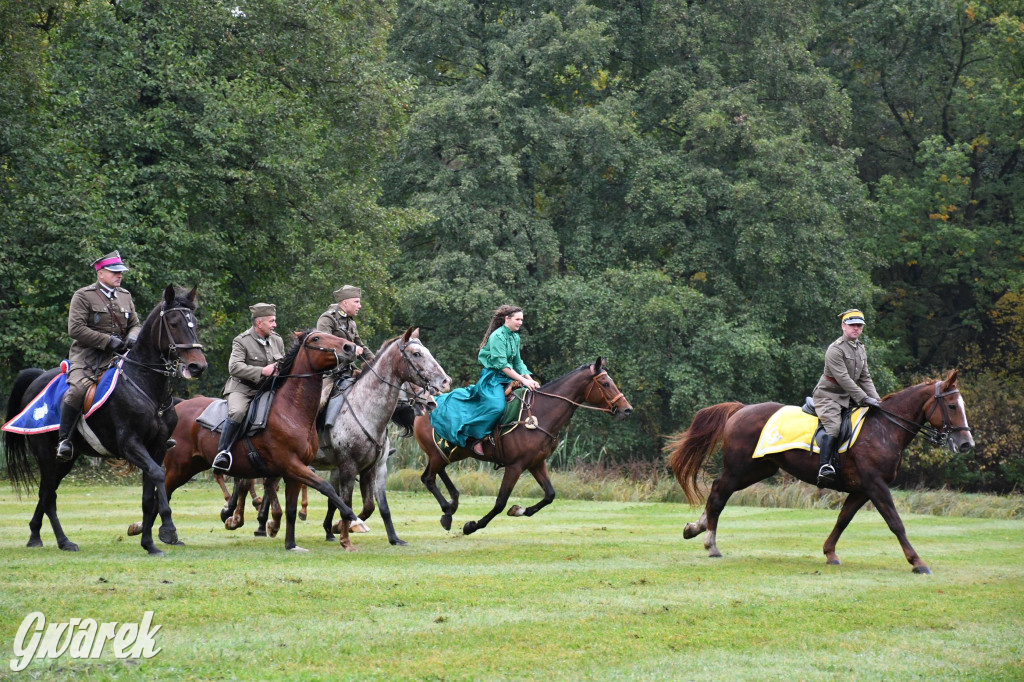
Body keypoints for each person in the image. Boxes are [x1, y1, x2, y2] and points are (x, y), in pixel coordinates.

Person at [56, 251, 142, 461]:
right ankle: (64, 439)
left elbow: (136, 325)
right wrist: (106, 341)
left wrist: (132, 337)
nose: (119, 275)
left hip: (120, 356)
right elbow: (75, 329)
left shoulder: (125, 296)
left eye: (120, 272)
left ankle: (152, 435)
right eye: (114, 272)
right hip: (88, 358)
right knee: (77, 390)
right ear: (100, 273)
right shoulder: (83, 295)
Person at [430, 305, 540, 456]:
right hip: (493, 379)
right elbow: (502, 365)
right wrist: (523, 380)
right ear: (507, 319)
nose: (520, 322)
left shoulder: (515, 337)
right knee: (497, 407)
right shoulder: (497, 336)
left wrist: (530, 380)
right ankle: (478, 438)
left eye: (522, 319)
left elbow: (518, 362)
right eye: (518, 319)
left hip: (511, 377)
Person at [812, 308, 882, 486]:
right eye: (852, 325)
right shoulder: (835, 350)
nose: (856, 329)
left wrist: (879, 401)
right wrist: (865, 398)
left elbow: (865, 378)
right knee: (834, 427)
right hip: (828, 396)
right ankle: (824, 466)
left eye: (859, 325)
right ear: (843, 326)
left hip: (848, 398)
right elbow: (843, 379)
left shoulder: (860, 349)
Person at [212, 303, 285, 472]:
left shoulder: (277, 340)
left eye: (275, 321)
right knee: (237, 412)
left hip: (267, 389)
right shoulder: (241, 340)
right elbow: (234, 368)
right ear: (259, 323)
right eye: (271, 321)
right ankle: (222, 453)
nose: (275, 325)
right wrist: (262, 371)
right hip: (242, 389)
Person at [316, 285, 375, 408]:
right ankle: (312, 427)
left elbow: (361, 346)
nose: (360, 306)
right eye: (356, 302)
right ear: (345, 303)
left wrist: (377, 362)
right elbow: (325, 346)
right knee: (319, 402)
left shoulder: (351, 321)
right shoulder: (327, 319)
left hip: (349, 371)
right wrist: (353, 350)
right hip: (330, 373)